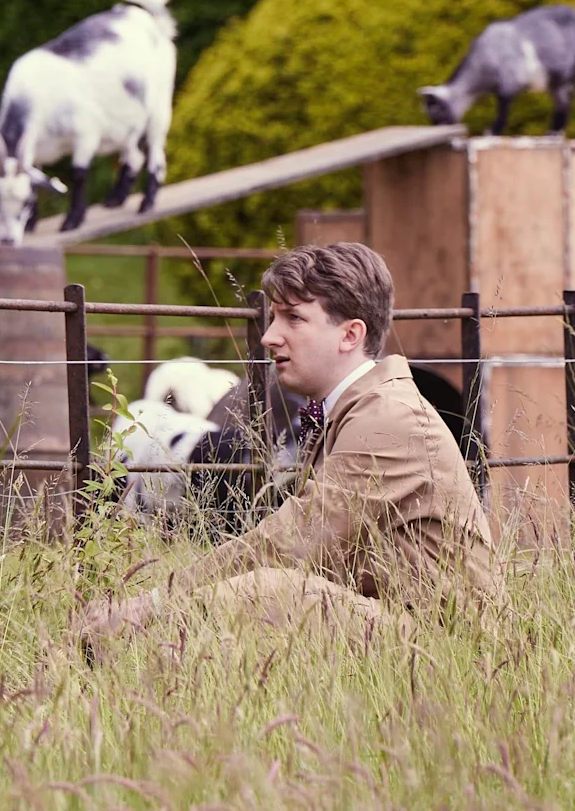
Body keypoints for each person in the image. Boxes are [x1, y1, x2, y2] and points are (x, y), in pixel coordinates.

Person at [74, 242, 497, 655]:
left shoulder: (387, 419)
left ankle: (109, 655)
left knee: (271, 590)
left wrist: (150, 605)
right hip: (397, 622)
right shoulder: (351, 409)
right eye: (274, 316)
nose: (269, 336)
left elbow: (291, 541)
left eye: (294, 318)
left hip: (447, 644)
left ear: (350, 334)